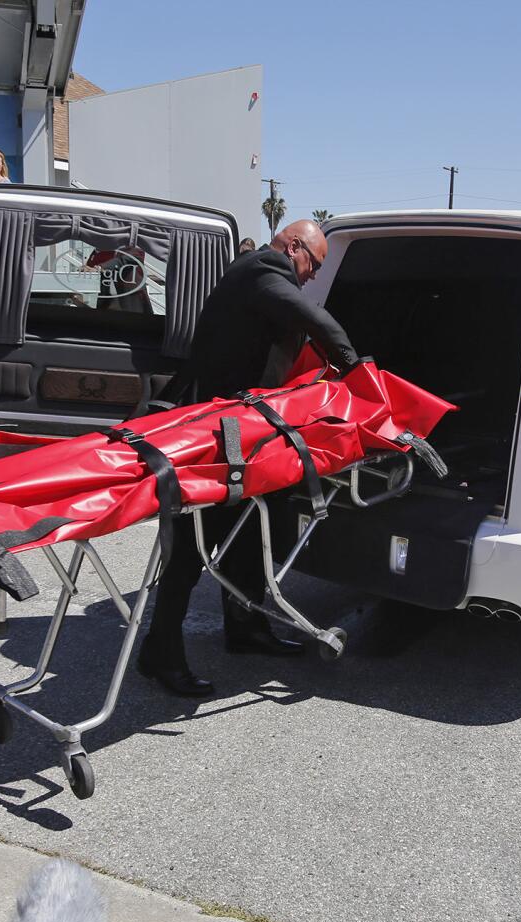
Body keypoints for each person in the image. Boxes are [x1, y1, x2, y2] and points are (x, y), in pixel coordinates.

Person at [137, 220, 357, 696]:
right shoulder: (263, 267)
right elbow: (313, 318)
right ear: (292, 246)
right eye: (313, 263)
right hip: (208, 435)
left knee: (254, 532)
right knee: (192, 549)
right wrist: (357, 367)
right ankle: (159, 653)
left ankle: (246, 627)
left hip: (242, 431)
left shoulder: (265, 276)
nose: (313, 275)